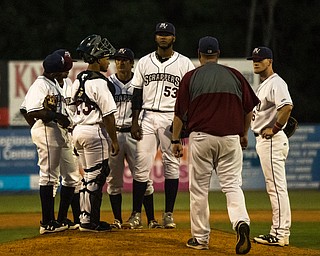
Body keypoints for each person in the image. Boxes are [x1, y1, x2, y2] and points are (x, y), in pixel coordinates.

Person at [172, 36, 259, 254]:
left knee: (199, 189)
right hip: (231, 138)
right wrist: (243, 133)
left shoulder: (191, 77)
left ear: (200, 55)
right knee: (231, 185)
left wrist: (175, 140)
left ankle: (200, 239)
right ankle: (240, 222)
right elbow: (249, 109)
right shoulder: (235, 75)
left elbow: (179, 115)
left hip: (201, 137)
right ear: (218, 54)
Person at [125, 22, 195, 229]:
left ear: (174, 38)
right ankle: (136, 215)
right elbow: (136, 94)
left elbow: (190, 96)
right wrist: (135, 121)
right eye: (159, 34)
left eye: (167, 34)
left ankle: (168, 214)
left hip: (171, 118)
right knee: (141, 167)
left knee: (172, 166)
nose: (163, 37)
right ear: (155, 37)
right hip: (147, 116)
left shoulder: (184, 63)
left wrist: (184, 123)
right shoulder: (144, 62)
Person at [21, 51, 80, 234]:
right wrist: (51, 119)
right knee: (49, 176)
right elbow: (30, 110)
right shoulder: (40, 85)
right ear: (55, 71)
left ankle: (61, 219)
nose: (68, 71)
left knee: (72, 177)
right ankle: (47, 223)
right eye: (65, 68)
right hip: (47, 130)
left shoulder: (59, 83)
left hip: (61, 132)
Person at [106, 48, 162, 229]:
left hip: (134, 134)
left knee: (144, 177)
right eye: (118, 60)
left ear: (132, 63)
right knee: (114, 181)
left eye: (125, 60)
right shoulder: (108, 83)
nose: (120, 63)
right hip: (114, 134)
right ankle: (116, 219)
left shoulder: (140, 84)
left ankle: (151, 219)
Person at [71, 34, 119, 232]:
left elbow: (71, 107)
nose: (108, 61)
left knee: (87, 177)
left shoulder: (78, 79)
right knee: (97, 177)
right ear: (98, 57)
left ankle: (85, 218)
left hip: (78, 130)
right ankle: (90, 221)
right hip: (94, 131)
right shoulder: (99, 82)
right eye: (106, 57)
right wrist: (114, 140)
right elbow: (108, 115)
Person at [247, 46, 293, 247]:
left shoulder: (276, 82)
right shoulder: (265, 84)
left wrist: (275, 128)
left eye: (260, 59)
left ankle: (281, 233)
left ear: (270, 61)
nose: (256, 62)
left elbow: (287, 106)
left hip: (272, 140)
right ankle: (277, 230)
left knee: (276, 188)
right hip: (265, 140)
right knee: (273, 187)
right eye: (254, 59)